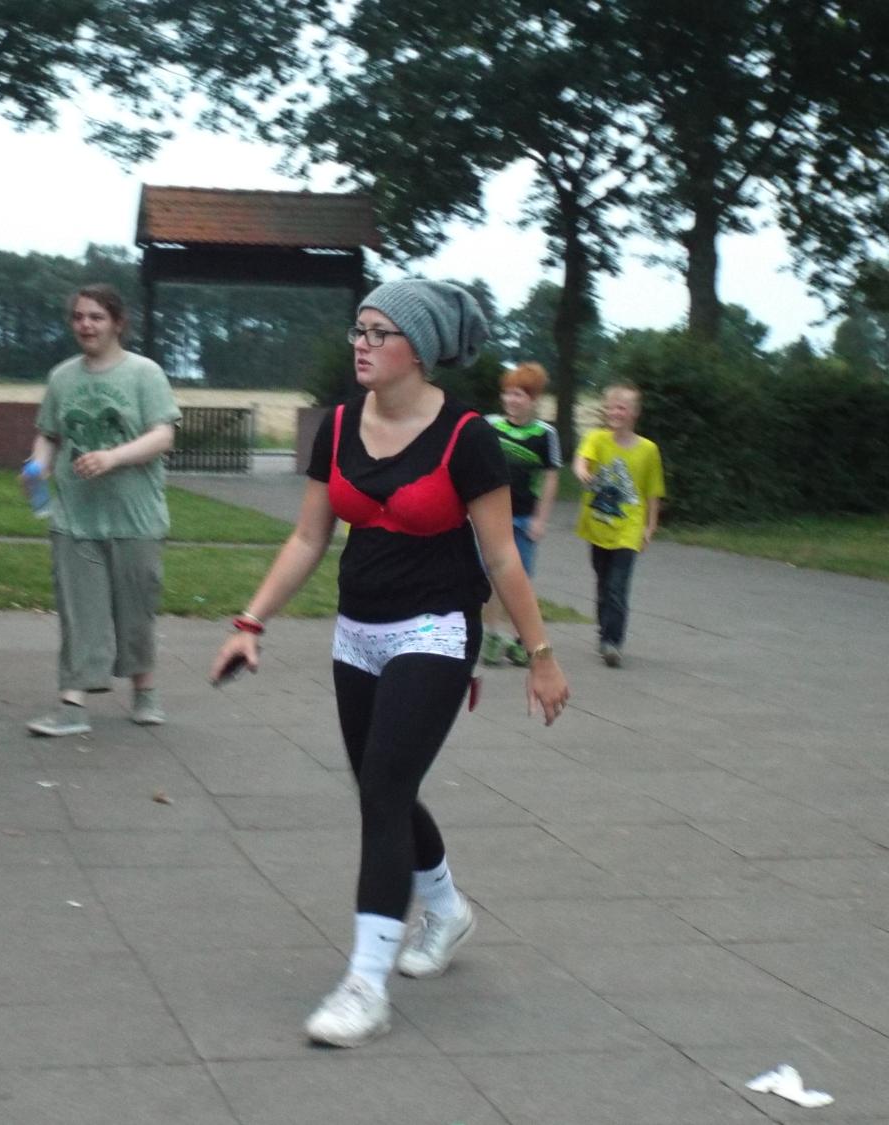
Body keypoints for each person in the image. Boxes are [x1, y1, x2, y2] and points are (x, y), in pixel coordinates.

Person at [209, 279, 571, 1049]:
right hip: (358, 632)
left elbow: (503, 557)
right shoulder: (339, 425)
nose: (362, 344)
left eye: (380, 332)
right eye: (359, 330)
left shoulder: (466, 438)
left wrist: (540, 656)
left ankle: (365, 985)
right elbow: (309, 537)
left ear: (421, 349)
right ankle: (446, 909)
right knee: (385, 790)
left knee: (382, 788)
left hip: (436, 628)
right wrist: (250, 621)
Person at [24, 284, 181, 735]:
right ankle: (72, 706)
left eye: (95, 317)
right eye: (78, 317)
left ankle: (145, 693)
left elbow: (163, 435)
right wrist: (36, 466)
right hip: (75, 518)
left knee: (136, 612)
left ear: (117, 322)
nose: (86, 325)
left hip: (135, 518)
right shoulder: (62, 378)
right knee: (79, 613)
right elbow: (50, 434)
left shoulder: (144, 374)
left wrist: (113, 457)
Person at [572, 382, 665, 667]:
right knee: (603, 582)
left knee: (617, 585)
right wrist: (582, 471)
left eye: (621, 408)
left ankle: (613, 642)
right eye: (611, 408)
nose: (615, 413)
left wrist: (650, 527)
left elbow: (653, 492)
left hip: (629, 527)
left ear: (634, 413)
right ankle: (604, 632)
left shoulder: (648, 450)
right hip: (598, 524)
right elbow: (581, 460)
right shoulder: (597, 438)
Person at [481, 361, 561, 666]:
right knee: (492, 579)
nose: (512, 400)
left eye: (519, 395)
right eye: (508, 393)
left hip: (525, 518)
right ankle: (491, 636)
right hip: (492, 519)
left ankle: (520, 641)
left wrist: (541, 519)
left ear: (534, 399)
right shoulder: (490, 426)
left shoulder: (545, 434)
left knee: (521, 582)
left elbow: (551, 477)